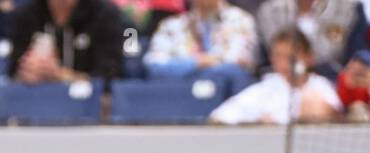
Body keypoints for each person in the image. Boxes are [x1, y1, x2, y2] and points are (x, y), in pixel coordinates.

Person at [208, 27, 340, 124]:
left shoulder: (321, 86)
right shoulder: (264, 89)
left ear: (309, 57)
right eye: (278, 56)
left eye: (291, 57)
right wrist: (255, 123)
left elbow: (334, 116)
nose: (285, 63)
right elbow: (219, 117)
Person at [143, 0, 257, 89]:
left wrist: (181, 70)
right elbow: (155, 68)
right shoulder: (171, 25)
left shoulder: (241, 20)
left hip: (228, 97)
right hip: (180, 95)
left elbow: (236, 68)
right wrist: (196, 63)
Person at [8, 0, 126, 85]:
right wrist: (27, 73)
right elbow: (13, 71)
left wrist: (59, 75)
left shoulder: (105, 14)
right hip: (36, 103)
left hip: (89, 109)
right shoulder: (26, 14)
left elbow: (110, 76)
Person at [253, 0, 355, 77]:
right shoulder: (271, 10)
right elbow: (277, 50)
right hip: (281, 77)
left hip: (330, 77)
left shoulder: (346, 7)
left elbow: (335, 51)